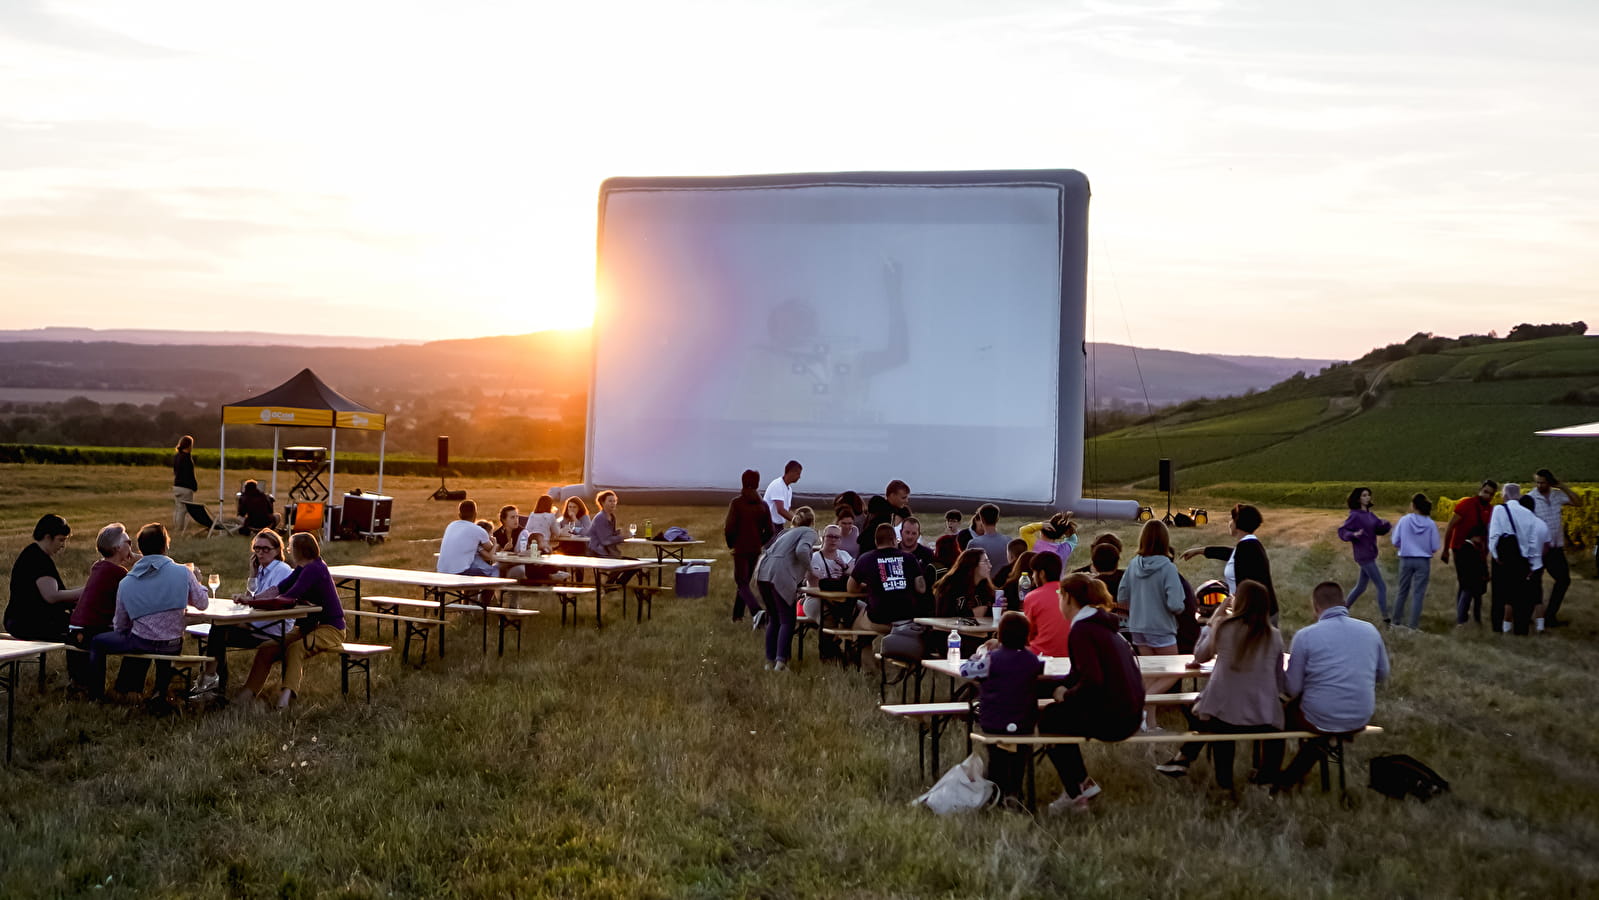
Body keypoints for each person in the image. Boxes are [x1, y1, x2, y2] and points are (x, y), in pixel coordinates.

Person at [1155, 580, 1286, 790]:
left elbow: (1199, 655)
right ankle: (1266, 778)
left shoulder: (1225, 627)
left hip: (1225, 713)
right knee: (1273, 725)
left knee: (1214, 718)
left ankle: (1220, 782)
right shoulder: (1275, 636)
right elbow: (1279, 680)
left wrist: (1216, 616)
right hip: (1263, 715)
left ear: (1239, 601)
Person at [1039, 572, 1145, 813]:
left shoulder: (1082, 631)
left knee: (1051, 719)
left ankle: (1076, 792)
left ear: (1066, 597)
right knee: (1056, 715)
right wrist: (1053, 686)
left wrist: (1065, 695)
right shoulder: (1102, 626)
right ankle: (1081, 784)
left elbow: (1092, 680)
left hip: (1115, 719)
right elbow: (1079, 674)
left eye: (1059, 596)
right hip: (1130, 711)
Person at [1276, 581, 1390, 792]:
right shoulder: (1370, 630)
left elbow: (1292, 688)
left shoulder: (1306, 636)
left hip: (1319, 715)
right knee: (1319, 719)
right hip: (1360, 714)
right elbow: (1382, 674)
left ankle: (1269, 774)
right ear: (1344, 602)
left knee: (1276, 718)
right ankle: (1290, 778)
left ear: (1315, 607)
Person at [89, 523, 209, 701]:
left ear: (140, 548)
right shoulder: (183, 573)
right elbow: (202, 603)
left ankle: (96, 694)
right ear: (166, 545)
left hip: (141, 642)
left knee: (99, 642)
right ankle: (160, 690)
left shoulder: (127, 582)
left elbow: (120, 624)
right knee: (156, 636)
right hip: (172, 643)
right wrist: (196, 583)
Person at [238, 532, 346, 709]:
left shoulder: (315, 569)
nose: (288, 550)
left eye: (290, 547)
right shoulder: (302, 569)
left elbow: (287, 598)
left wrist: (252, 602)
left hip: (331, 629)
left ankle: (285, 699)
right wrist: (252, 599)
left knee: (296, 649)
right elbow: (278, 589)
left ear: (299, 550)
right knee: (268, 648)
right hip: (307, 628)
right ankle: (247, 693)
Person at [958, 611, 1043, 804]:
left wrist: (977, 655)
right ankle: (1015, 791)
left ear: (1000, 634)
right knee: (1020, 753)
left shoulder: (991, 660)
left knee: (997, 756)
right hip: (1024, 721)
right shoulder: (1032, 660)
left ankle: (996, 792)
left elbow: (965, 670)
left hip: (994, 720)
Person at [199, 528, 295, 695]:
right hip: (259, 622)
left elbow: (270, 601)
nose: (260, 553)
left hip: (273, 627)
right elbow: (254, 597)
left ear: (278, 550)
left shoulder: (281, 570)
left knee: (219, 630)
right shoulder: (261, 570)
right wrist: (253, 574)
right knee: (218, 629)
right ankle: (215, 683)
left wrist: (248, 602)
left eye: (266, 549)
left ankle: (211, 679)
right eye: (257, 548)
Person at [1118, 519, 1186, 733]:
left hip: (1137, 627)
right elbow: (1175, 604)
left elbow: (1122, 595)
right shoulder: (1167, 567)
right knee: (1174, 671)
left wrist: (1138, 607)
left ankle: (1148, 723)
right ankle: (1142, 702)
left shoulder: (1133, 564)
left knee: (1150, 674)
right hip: (1161, 627)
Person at [66, 523, 135, 693]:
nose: (131, 547)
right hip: (91, 630)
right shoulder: (117, 573)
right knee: (139, 637)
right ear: (117, 547)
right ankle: (127, 688)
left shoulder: (99, 566)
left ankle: (83, 685)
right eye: (129, 542)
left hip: (76, 628)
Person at [1179, 503, 1276, 622]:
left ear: (1238, 522)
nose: (1229, 523)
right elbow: (1231, 554)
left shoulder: (1247, 548)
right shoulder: (1249, 546)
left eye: (1231, 519)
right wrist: (1200, 551)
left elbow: (1244, 588)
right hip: (1256, 614)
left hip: (1255, 618)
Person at [754, 507, 817, 670]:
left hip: (763, 573)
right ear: (812, 522)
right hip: (781, 576)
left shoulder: (784, 533)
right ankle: (781, 662)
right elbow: (802, 550)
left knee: (773, 618)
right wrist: (811, 570)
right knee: (787, 619)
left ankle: (770, 661)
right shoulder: (809, 532)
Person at [6, 513, 83, 641]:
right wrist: (83, 592)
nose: (63, 545)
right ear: (48, 537)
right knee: (81, 629)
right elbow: (51, 596)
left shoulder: (34, 554)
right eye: (61, 540)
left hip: (22, 621)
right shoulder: (37, 559)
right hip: (29, 622)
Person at [1488, 484, 1549, 635]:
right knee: (1520, 595)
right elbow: (1533, 539)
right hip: (1522, 559)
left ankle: (1499, 627)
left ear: (1505, 494)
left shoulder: (1499, 509)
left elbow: (1494, 534)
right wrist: (1532, 562)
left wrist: (1495, 555)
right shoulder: (1528, 513)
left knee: (1500, 594)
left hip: (1504, 558)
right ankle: (1521, 629)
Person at [849, 523, 928, 634]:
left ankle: (852, 644)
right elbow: (921, 589)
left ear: (876, 541)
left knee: (860, 619)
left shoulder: (866, 558)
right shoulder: (909, 558)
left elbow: (851, 588)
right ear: (894, 540)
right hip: (907, 617)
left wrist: (868, 587)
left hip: (879, 618)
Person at [1530, 468, 1584, 627]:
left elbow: (1578, 502)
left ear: (1550, 482)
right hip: (1538, 549)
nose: (1539, 485)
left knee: (1563, 580)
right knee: (1533, 583)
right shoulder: (1530, 498)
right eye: (1537, 482)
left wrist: (1562, 487)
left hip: (1555, 548)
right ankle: (1530, 616)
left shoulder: (1556, 495)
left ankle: (1550, 615)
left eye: (1543, 482)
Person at [1442, 480, 1497, 626]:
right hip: (1461, 548)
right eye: (1486, 492)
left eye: (1491, 494)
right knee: (1468, 584)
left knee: (1474, 584)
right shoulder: (1466, 505)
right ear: (1480, 490)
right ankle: (1462, 620)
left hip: (1478, 552)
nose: (1487, 496)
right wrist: (1446, 550)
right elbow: (1451, 526)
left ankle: (1472, 617)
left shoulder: (1491, 510)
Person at [725, 469, 775, 622]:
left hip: (740, 549)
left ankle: (757, 611)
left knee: (742, 583)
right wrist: (759, 542)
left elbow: (729, 527)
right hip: (755, 550)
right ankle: (737, 616)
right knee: (744, 582)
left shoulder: (737, 503)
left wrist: (731, 543)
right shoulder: (763, 505)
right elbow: (771, 530)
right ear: (757, 483)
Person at [1338, 487, 1392, 621]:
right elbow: (1342, 531)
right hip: (1364, 555)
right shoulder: (1355, 515)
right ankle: (1386, 619)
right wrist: (1353, 534)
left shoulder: (1370, 515)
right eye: (1364, 495)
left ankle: (1342, 610)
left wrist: (1386, 525)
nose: (1368, 498)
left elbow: (1378, 528)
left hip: (1371, 553)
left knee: (1361, 587)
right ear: (1358, 499)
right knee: (1381, 585)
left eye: (1368, 495)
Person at [1390, 493, 1440, 630]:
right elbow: (1435, 546)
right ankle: (1413, 626)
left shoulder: (1405, 520)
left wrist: (1404, 545)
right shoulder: (1430, 523)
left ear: (1413, 506)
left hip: (1406, 558)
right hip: (1423, 561)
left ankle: (1395, 622)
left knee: (1402, 591)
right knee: (1418, 593)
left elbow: (1395, 541)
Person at [1023, 551, 1070, 658]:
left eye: (1034, 573)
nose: (1033, 578)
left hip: (1041, 654)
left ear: (1042, 574)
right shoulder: (1071, 593)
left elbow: (1028, 635)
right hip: (1071, 653)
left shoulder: (1032, 597)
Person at [437, 499, 495, 577]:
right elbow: (489, 548)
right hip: (460, 572)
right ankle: (489, 589)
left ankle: (475, 589)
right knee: (492, 572)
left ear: (459, 515)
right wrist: (494, 542)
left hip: (442, 570)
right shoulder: (478, 530)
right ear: (475, 514)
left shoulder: (451, 525)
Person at [932, 548, 995, 619]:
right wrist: (972, 613)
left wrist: (997, 608)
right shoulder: (951, 587)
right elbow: (944, 617)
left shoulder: (984, 587)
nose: (990, 566)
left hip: (980, 629)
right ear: (973, 564)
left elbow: (987, 613)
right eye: (985, 562)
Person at [967, 503, 1010, 570]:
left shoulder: (974, 543)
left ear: (982, 520)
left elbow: (969, 569)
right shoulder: (1009, 541)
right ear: (997, 519)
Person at [764, 460, 802, 530]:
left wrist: (799, 519)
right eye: (798, 474)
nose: (799, 477)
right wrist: (797, 522)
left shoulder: (789, 489)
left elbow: (788, 510)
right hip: (769, 525)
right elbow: (780, 510)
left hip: (778, 526)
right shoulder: (777, 485)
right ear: (791, 472)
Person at [171, 434, 198, 533]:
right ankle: (179, 529)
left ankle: (176, 527)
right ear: (189, 445)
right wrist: (194, 486)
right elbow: (189, 475)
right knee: (184, 510)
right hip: (185, 488)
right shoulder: (187, 458)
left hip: (177, 486)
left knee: (178, 509)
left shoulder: (177, 456)